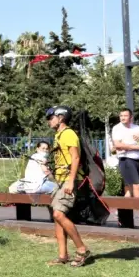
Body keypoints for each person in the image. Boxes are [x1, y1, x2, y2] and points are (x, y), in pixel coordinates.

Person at [45, 106, 91, 267]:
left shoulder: (69, 134)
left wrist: (71, 181)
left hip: (69, 180)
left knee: (58, 214)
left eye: (51, 117)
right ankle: (63, 256)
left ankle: (82, 249)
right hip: (59, 180)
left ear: (61, 118)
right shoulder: (58, 135)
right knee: (57, 218)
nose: (49, 120)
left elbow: (75, 157)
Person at [111, 108, 139, 221]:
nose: (122, 117)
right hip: (126, 160)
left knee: (129, 190)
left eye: (125, 115)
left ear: (131, 117)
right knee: (137, 185)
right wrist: (135, 147)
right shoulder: (117, 128)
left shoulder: (136, 128)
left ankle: (120, 210)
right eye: (121, 115)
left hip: (136, 160)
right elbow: (118, 145)